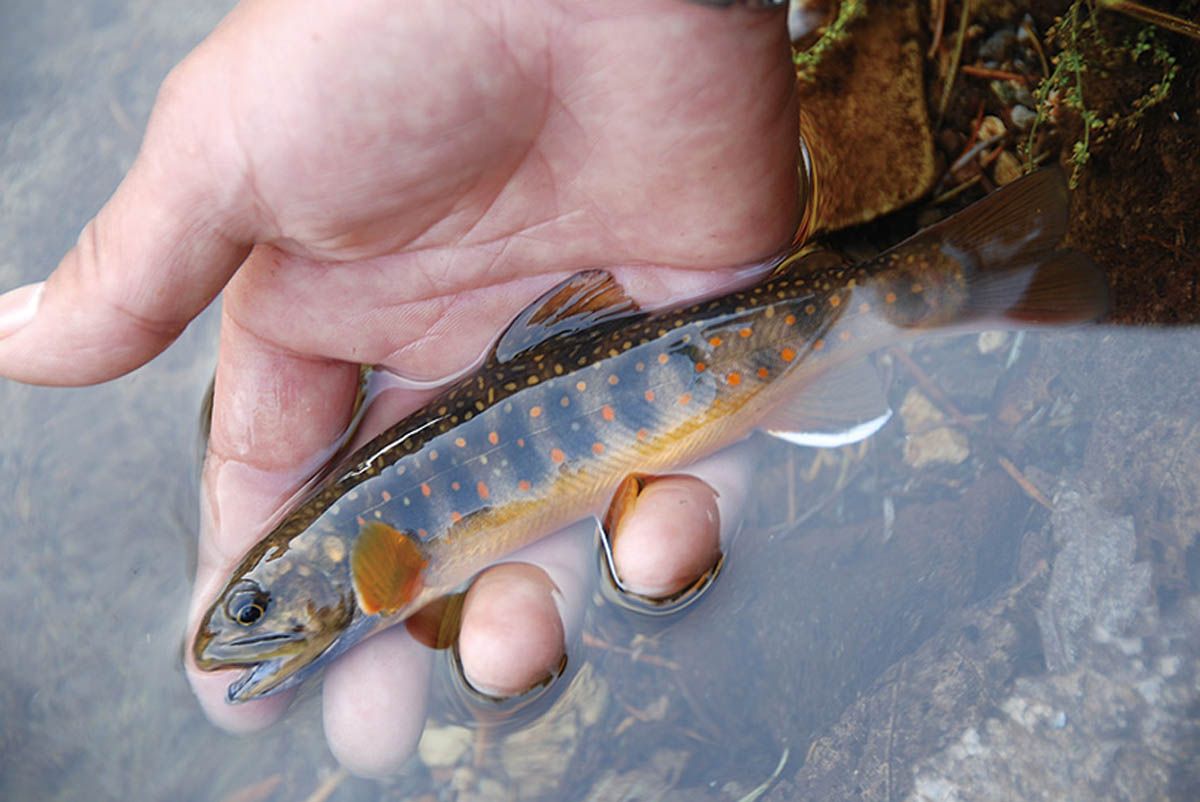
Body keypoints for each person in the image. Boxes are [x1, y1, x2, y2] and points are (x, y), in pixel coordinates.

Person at [0, 0, 799, 777]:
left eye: (255, 609)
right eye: (252, 611)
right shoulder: (364, 559)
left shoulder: (383, 570)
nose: (237, 635)